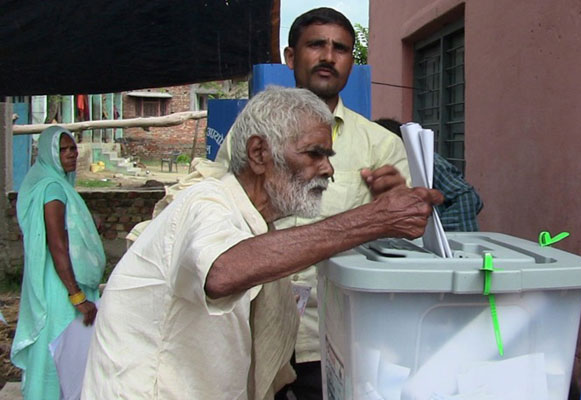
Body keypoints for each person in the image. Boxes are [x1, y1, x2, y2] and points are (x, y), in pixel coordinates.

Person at [81, 87, 442, 400]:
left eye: (329, 156)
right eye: (315, 154)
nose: (328, 169)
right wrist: (372, 219)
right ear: (258, 154)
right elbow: (222, 271)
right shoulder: (207, 203)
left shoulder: (258, 225)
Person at [276, 9, 413, 399]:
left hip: (332, 336)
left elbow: (407, 248)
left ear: (350, 62)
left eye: (340, 49)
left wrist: (395, 209)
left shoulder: (381, 145)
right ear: (290, 56)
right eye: (316, 44)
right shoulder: (253, 134)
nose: (328, 56)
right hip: (254, 324)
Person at [11, 126, 106, 400]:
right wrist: (77, 296)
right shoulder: (52, 188)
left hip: (60, 282)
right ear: (48, 154)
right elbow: (57, 244)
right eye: (62, 150)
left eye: (72, 148)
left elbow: (67, 230)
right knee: (60, 355)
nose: (70, 154)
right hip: (62, 288)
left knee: (64, 354)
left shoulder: (54, 184)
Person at [374, 118, 484, 231]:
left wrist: (440, 231)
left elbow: (467, 196)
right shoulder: (377, 167)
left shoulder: (428, 162)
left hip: (450, 240)